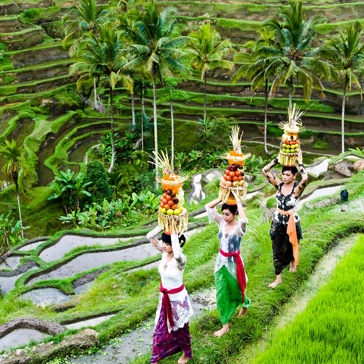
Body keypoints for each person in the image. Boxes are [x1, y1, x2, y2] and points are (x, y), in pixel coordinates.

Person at [205, 190, 251, 337]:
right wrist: (220, 198)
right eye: (223, 214)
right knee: (221, 293)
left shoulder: (239, 229)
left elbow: (244, 220)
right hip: (220, 263)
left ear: (235, 213)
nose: (224, 217)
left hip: (234, 264)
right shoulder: (221, 224)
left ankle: (245, 304)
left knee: (237, 289)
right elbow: (208, 208)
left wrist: (237, 199)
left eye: (227, 214)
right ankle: (225, 325)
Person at [146, 223, 193, 364]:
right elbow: (149, 236)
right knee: (159, 329)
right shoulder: (164, 253)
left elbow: (177, 253)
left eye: (167, 243)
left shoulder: (181, 259)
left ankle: (187, 354)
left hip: (178, 300)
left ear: (175, 243)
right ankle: (156, 358)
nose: (164, 245)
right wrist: (162, 225)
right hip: (164, 298)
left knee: (181, 330)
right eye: (163, 242)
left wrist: (174, 231)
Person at [262, 150, 308, 288]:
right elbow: (265, 170)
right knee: (276, 248)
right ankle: (278, 278)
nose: (284, 177)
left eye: (287, 175)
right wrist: (278, 158)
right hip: (278, 221)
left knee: (290, 245)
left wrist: (300, 162)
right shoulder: (279, 185)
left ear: (294, 176)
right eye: (283, 174)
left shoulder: (297, 188)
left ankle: (293, 262)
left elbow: (305, 178)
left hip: (291, 221)